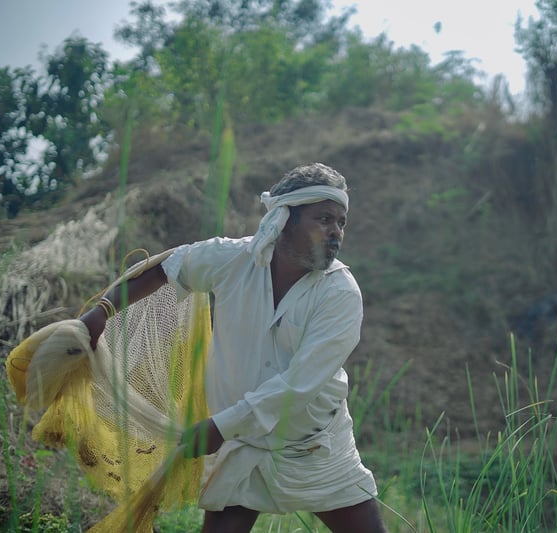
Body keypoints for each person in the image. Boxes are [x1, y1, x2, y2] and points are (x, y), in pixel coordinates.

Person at [79, 163, 387, 533]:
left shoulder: (340, 292)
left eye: (341, 222)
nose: (335, 232)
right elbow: (167, 269)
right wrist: (104, 310)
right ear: (284, 220)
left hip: (316, 447)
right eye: (323, 219)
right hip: (241, 446)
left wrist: (220, 427)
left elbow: (300, 384)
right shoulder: (231, 260)